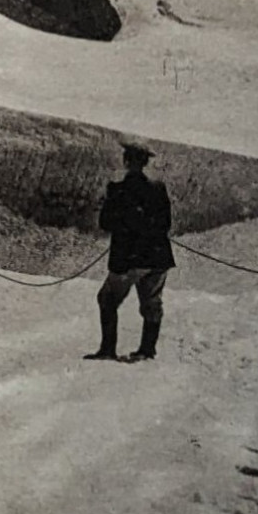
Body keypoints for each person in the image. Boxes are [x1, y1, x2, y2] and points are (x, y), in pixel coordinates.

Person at [86, 143, 174, 362]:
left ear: (126, 162)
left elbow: (105, 223)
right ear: (144, 164)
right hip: (158, 257)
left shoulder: (117, 190)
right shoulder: (158, 189)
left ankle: (108, 350)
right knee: (152, 303)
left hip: (129, 259)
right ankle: (147, 350)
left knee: (107, 299)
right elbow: (166, 223)